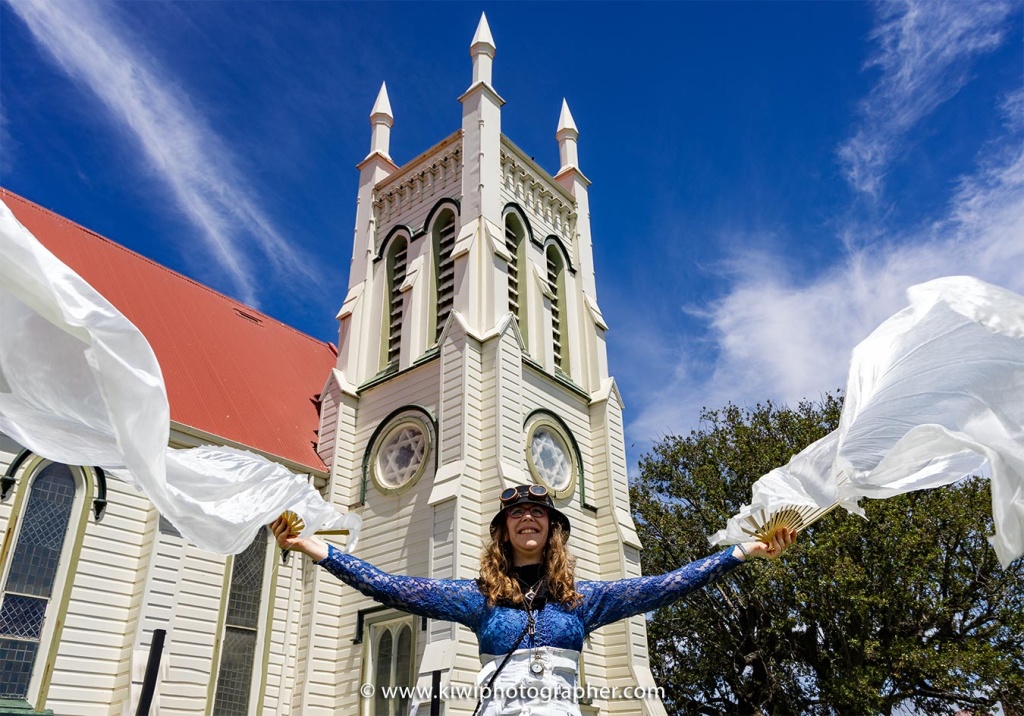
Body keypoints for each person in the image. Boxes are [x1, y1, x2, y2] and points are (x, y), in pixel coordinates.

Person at [270, 484, 795, 715]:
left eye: (538, 514)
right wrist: (317, 547)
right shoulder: (476, 600)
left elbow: (665, 584)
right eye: (516, 514)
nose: (527, 517)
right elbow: (391, 587)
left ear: (552, 530)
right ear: (503, 532)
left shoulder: (584, 601)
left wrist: (742, 551)